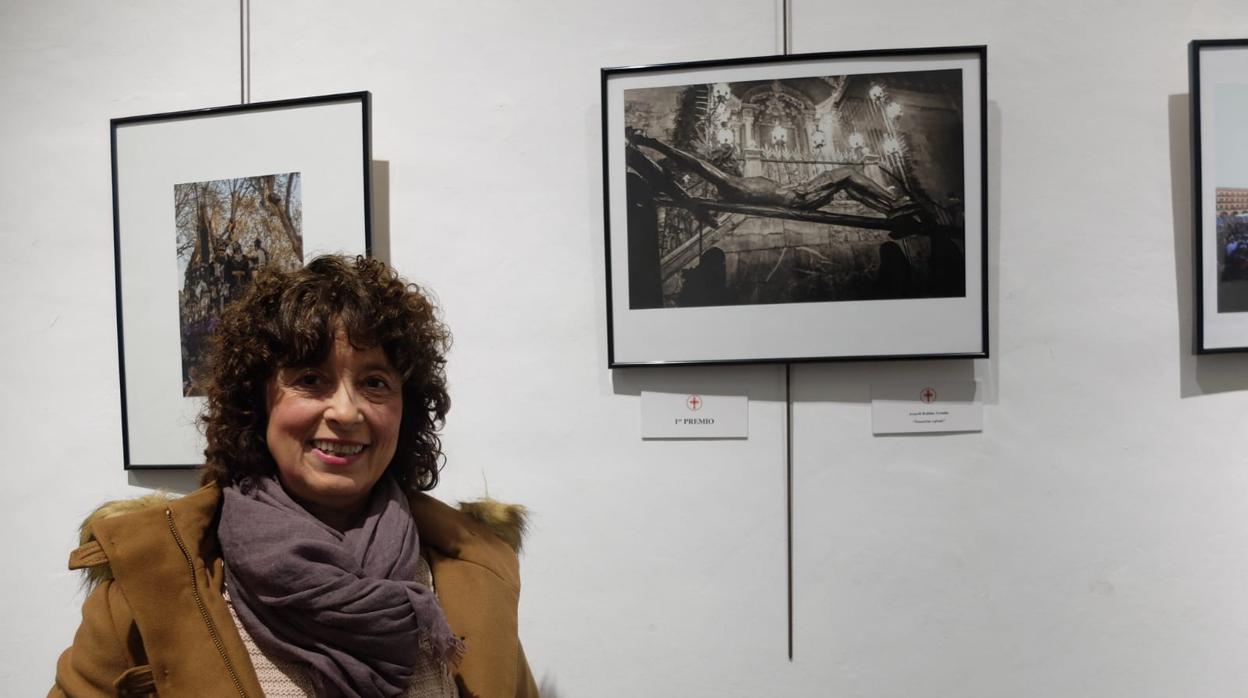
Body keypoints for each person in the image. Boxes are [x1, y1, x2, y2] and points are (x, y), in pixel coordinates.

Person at [50, 255, 539, 697]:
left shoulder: (474, 573)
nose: (346, 412)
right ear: (257, 401)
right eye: (310, 379)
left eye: (374, 382)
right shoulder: (151, 574)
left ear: (404, 409)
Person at [626, 128, 907, 214]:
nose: (725, 160)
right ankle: (893, 204)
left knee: (846, 183)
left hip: (801, 192)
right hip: (798, 197)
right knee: (846, 172)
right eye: (724, 159)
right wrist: (655, 143)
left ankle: (890, 209)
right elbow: (697, 164)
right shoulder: (731, 185)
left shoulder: (737, 185)